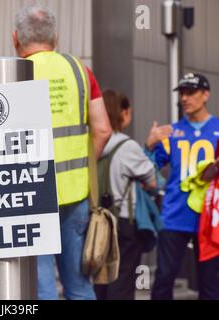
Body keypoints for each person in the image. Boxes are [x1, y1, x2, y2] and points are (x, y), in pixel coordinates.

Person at [13, 4, 112, 300]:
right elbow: (104, 129)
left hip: (29, 195)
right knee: (80, 286)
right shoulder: (78, 70)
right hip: (75, 193)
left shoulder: (11, 74)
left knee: (41, 289)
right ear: (55, 37)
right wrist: (81, 168)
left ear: (15, 37)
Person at [147, 73, 219, 300]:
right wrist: (149, 145)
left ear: (205, 94)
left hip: (209, 220)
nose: (185, 98)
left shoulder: (217, 129)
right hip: (174, 216)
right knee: (164, 279)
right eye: (182, 94)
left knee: (210, 282)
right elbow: (147, 169)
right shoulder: (172, 132)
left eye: (191, 92)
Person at [94, 90, 157, 300]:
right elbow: (153, 181)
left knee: (100, 281)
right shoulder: (126, 145)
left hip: (96, 223)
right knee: (123, 281)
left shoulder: (91, 143)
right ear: (123, 113)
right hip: (123, 223)